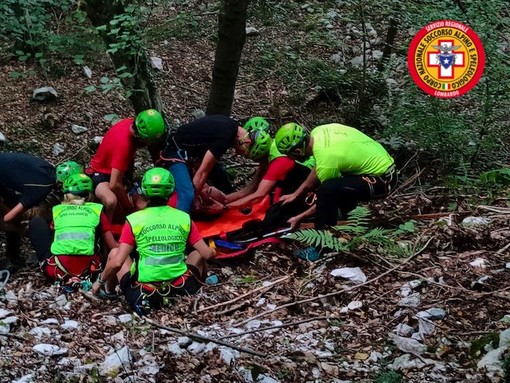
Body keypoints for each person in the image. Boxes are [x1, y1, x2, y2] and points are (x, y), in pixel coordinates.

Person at [91, 167, 216, 315]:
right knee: (197, 253)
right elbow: (207, 254)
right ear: (171, 191)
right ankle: (202, 284)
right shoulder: (184, 218)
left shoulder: (134, 220)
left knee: (115, 253)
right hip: (182, 290)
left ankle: (109, 292)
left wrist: (98, 282)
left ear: (144, 190)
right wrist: (213, 250)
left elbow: (118, 263)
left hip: (145, 296)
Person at [275, 122, 397, 259]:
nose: (292, 159)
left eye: (290, 155)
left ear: (298, 151)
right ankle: (352, 224)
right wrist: (295, 195)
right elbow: (318, 168)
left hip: (384, 180)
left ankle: (321, 248)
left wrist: (299, 218)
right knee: (337, 185)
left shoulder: (327, 159)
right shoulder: (318, 132)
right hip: (378, 168)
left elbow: (325, 199)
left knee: (328, 189)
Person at [158, 114, 257, 214]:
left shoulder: (231, 125)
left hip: (191, 151)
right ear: (245, 141)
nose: (237, 152)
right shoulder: (225, 137)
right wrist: (195, 198)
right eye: (242, 152)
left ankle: (233, 209)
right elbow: (202, 173)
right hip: (175, 152)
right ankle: (180, 224)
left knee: (220, 175)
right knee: (187, 195)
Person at [36, 173, 117, 287]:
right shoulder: (97, 210)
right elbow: (112, 244)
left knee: (37, 223)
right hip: (90, 271)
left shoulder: (58, 210)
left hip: (57, 271)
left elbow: (53, 231)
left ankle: (41, 264)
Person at [86, 109, 166, 221]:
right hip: (100, 174)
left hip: (121, 175)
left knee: (142, 203)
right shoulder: (124, 145)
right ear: (141, 137)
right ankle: (107, 231)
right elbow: (114, 184)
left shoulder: (130, 123)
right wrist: (129, 207)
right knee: (111, 201)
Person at [0, 152, 62, 271]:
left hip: (5, 182)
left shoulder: (48, 170)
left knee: (11, 205)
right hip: (5, 181)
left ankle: (13, 257)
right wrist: (24, 231)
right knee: (8, 219)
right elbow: (8, 218)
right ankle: (12, 256)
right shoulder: (41, 188)